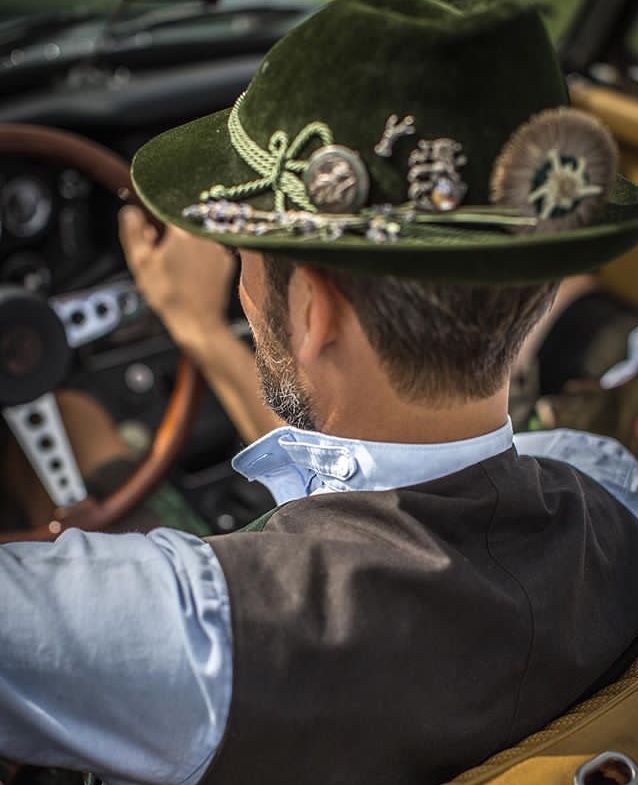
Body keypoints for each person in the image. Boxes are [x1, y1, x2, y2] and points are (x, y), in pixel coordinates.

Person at [3, 1, 638, 784]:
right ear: (541, 290)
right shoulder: (610, 485)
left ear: (312, 310)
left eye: (243, 253)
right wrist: (199, 333)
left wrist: (192, 325)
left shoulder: (195, 640)